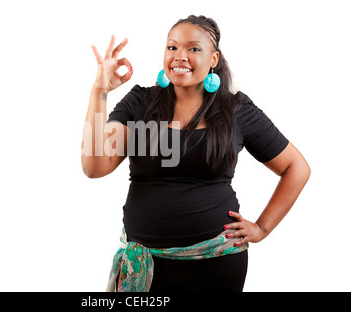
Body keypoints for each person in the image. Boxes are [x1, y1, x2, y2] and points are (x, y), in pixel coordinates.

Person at [81, 15, 310, 292]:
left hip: (216, 262)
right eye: (172, 47)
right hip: (145, 265)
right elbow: (95, 166)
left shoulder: (236, 110)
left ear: (214, 59)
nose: (180, 56)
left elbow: (296, 167)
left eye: (194, 48)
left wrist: (262, 228)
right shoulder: (140, 103)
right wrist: (100, 91)